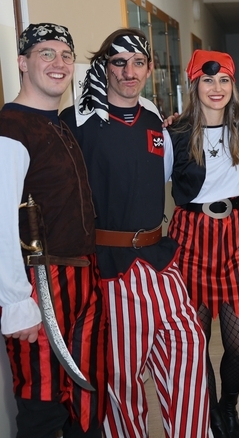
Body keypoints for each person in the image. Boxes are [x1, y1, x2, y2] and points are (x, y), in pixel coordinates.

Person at [62, 28, 210, 438]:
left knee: (188, 347)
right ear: (104, 66)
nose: (129, 72)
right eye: (119, 62)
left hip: (159, 260)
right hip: (109, 269)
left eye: (138, 63)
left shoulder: (152, 117)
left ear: (149, 68)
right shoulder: (76, 121)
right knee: (121, 377)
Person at [0, 23, 106, 438]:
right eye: (46, 53)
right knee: (42, 406)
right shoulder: (11, 128)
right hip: (40, 285)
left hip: (82, 278)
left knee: (85, 405)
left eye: (65, 55)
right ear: (22, 62)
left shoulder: (59, 123)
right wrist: (16, 302)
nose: (58, 63)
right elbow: (2, 221)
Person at [167, 50, 239, 438]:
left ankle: (227, 407)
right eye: (207, 80)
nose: (216, 88)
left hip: (237, 236)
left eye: (223, 80)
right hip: (192, 237)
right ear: (195, 85)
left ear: (232, 85)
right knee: (196, 340)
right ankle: (209, 413)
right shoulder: (174, 133)